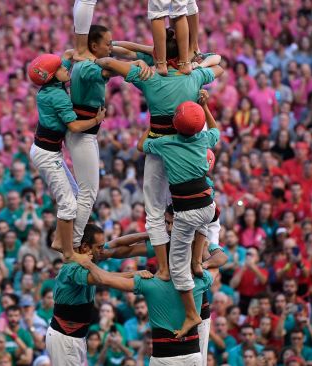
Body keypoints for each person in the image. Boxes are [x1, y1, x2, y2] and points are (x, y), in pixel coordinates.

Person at [94, 41, 223, 291]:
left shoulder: (149, 77)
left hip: (159, 143)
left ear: (159, 55)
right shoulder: (194, 78)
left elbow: (107, 62)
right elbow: (219, 67)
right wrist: (195, 64)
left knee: (154, 212)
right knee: (196, 215)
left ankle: (163, 268)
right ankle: (195, 262)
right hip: (189, 159)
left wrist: (136, 62)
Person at [135, 90, 219, 338]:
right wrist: (205, 107)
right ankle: (197, 262)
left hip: (188, 212)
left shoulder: (166, 143)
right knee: (203, 225)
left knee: (177, 268)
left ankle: (192, 314)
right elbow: (215, 132)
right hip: (208, 205)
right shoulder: (203, 140)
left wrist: (154, 124)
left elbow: (142, 145)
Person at [67, 24, 152, 249]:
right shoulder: (86, 67)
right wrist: (134, 65)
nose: (111, 47)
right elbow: (110, 69)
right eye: (108, 43)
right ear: (94, 46)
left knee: (85, 191)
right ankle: (74, 243)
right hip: (82, 136)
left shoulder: (87, 62)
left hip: (88, 136)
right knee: (89, 192)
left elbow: (115, 56)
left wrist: (139, 55)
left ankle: (76, 235)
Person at [78, 242, 216, 365]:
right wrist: (204, 252)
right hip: (191, 357)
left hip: (163, 359)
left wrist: (88, 263)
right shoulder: (200, 281)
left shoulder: (149, 283)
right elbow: (217, 265)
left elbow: (104, 279)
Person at [27, 51, 106, 264]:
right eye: (62, 70)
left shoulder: (51, 83)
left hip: (48, 150)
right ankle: (67, 248)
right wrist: (96, 120)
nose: (66, 70)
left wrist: (75, 56)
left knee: (74, 193)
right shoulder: (57, 96)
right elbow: (74, 126)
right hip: (47, 154)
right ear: (53, 76)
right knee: (69, 204)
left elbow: (67, 56)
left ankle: (59, 239)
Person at [45, 224, 148, 364]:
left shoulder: (89, 262)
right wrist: (135, 276)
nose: (103, 250)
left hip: (76, 337)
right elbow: (104, 279)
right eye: (99, 247)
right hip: (65, 338)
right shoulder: (74, 269)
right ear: (86, 247)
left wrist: (148, 235)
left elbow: (117, 243)